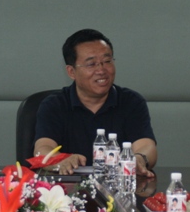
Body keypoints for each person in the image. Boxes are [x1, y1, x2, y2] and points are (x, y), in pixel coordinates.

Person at [34, 28, 157, 176]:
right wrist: (60, 160)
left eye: (107, 61)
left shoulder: (131, 102)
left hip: (118, 186)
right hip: (68, 187)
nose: (101, 70)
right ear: (71, 72)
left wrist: (139, 159)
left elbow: (147, 146)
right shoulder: (54, 105)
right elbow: (42, 149)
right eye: (91, 64)